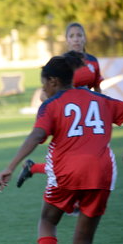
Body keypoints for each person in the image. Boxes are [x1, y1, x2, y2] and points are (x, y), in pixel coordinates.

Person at [0, 53, 123, 244]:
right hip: (101, 173)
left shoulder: (52, 105)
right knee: (83, 240)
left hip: (66, 173)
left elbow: (36, 136)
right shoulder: (101, 100)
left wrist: (10, 166)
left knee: (47, 220)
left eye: (43, 83)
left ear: (53, 81)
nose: (43, 89)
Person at [18, 23, 104, 187]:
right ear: (66, 40)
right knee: (74, 162)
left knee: (84, 160)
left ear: (85, 38)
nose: (76, 39)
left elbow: (97, 89)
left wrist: (102, 111)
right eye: (72, 36)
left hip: (88, 118)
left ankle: (32, 168)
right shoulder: (61, 63)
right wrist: (57, 110)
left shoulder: (93, 61)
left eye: (79, 35)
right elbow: (45, 94)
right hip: (70, 117)